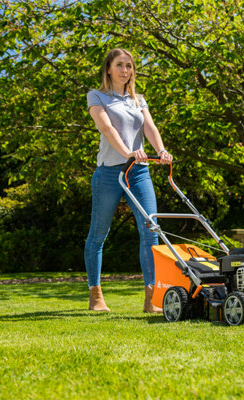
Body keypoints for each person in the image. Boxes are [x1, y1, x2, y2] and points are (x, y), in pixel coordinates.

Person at [84, 48, 173, 313]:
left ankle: (152, 299)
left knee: (150, 230)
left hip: (139, 171)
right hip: (110, 172)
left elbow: (150, 128)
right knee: (98, 235)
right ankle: (96, 295)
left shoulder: (138, 99)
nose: (125, 70)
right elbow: (106, 128)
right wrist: (127, 153)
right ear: (108, 69)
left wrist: (161, 151)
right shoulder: (96, 96)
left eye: (129, 66)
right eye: (120, 65)